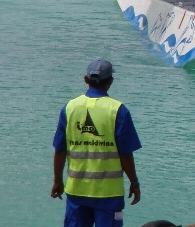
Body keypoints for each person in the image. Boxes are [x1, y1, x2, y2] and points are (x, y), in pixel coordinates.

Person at [51, 58, 141, 227]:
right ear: (111, 82)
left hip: (76, 191)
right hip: (109, 195)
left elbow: (60, 150)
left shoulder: (70, 108)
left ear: (86, 80)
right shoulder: (118, 110)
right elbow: (125, 154)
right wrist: (134, 183)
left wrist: (57, 180)